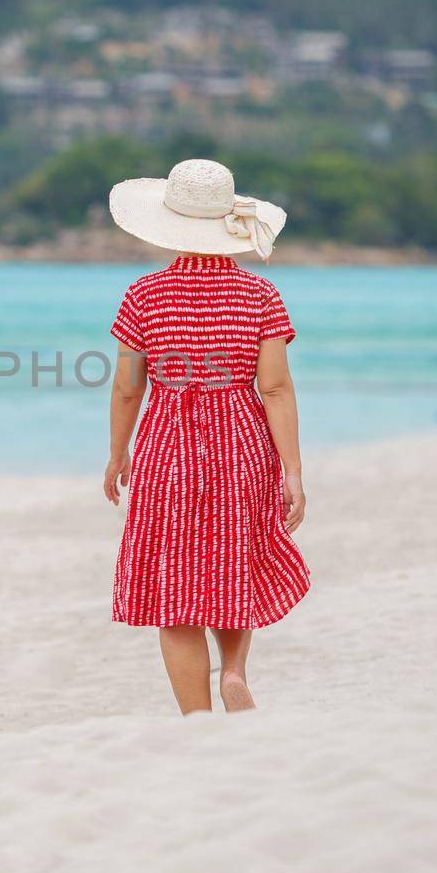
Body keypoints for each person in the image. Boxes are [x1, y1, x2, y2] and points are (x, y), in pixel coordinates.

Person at [102, 159, 309, 714]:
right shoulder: (261, 297)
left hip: (168, 445)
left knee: (174, 593)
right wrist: (291, 469)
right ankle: (234, 671)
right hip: (242, 444)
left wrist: (117, 454)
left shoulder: (144, 296)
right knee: (234, 567)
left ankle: (196, 720)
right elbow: (276, 387)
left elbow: (127, 390)